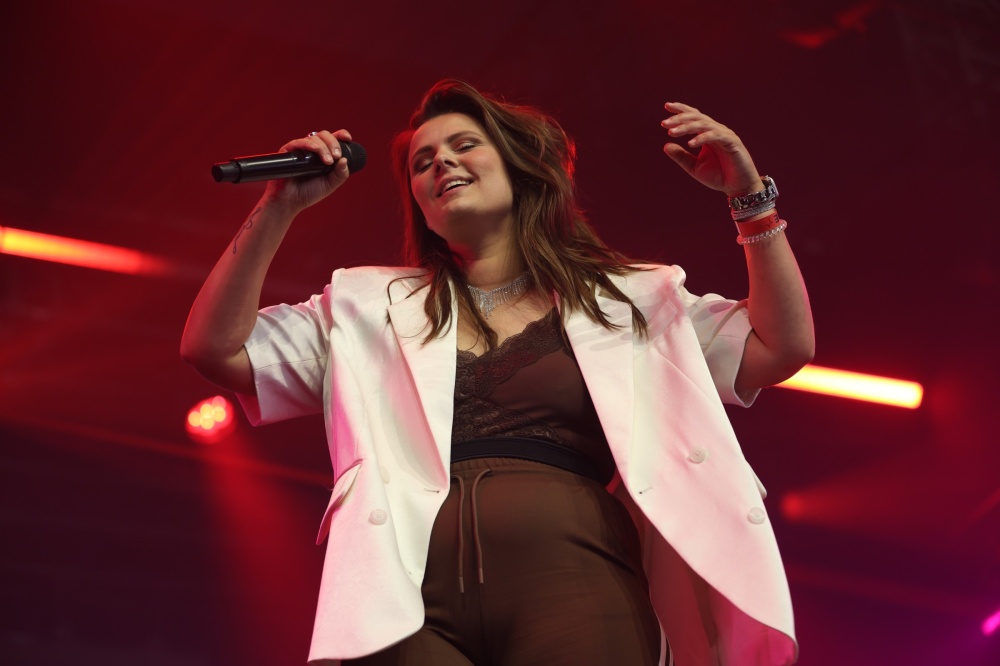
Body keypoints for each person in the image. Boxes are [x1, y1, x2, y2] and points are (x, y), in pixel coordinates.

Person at [181, 79, 813, 666]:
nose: (441, 163)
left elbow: (779, 346)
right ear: (420, 204)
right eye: (422, 163)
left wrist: (749, 201)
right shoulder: (366, 304)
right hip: (402, 598)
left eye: (463, 146)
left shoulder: (629, 297)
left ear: (520, 167)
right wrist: (278, 207)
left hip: (574, 583)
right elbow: (214, 349)